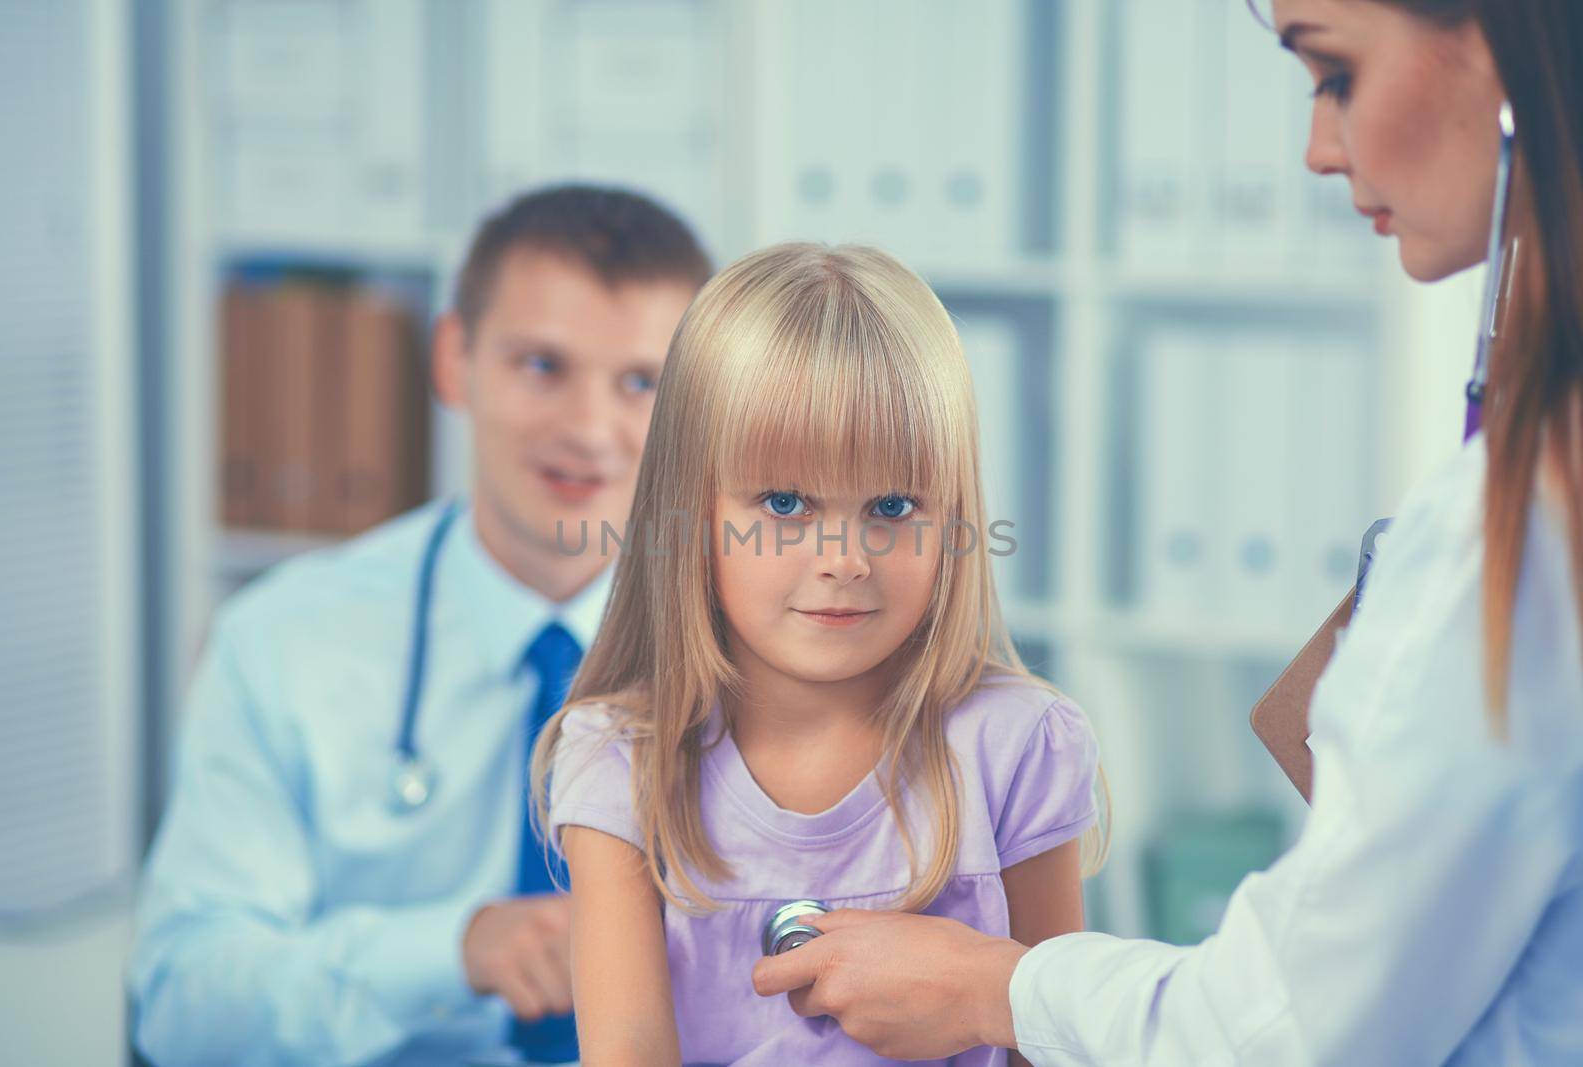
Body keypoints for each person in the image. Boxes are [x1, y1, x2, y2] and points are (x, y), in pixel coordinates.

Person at [751, 1, 1583, 1063]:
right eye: (783, 503)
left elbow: (1280, 1030)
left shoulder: (1517, 528)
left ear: (1512, 50)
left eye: (1333, 75)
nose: (1317, 150)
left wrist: (993, 988)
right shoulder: (625, 759)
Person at [128, 185, 712, 1067]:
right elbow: (181, 1005)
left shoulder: (775, 647)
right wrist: (457, 949)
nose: (591, 429)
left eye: (642, 381)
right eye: (542, 366)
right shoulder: (281, 641)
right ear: (453, 359)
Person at [531, 242, 1109, 1065]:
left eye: (893, 504)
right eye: (786, 502)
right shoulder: (620, 759)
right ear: (691, 510)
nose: (844, 557)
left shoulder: (1018, 744)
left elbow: (1050, 1038)